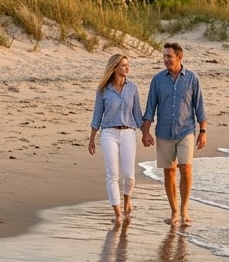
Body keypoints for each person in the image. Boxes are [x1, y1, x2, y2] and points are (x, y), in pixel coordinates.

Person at [141, 41, 207, 227]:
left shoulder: (192, 79)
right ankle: (174, 211)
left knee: (185, 168)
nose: (165, 59)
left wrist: (203, 131)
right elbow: (150, 108)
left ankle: (184, 209)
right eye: (164, 56)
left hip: (186, 131)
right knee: (169, 173)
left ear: (179, 57)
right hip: (163, 132)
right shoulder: (158, 80)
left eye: (169, 56)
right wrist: (145, 132)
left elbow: (199, 107)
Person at [88, 53, 143, 226]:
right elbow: (97, 114)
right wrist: (92, 138)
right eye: (124, 65)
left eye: (128, 64)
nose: (127, 68)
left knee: (129, 176)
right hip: (109, 133)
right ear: (115, 68)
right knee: (112, 175)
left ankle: (127, 199)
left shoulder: (132, 88)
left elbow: (137, 115)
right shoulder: (103, 90)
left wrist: (147, 133)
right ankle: (118, 213)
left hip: (128, 133)